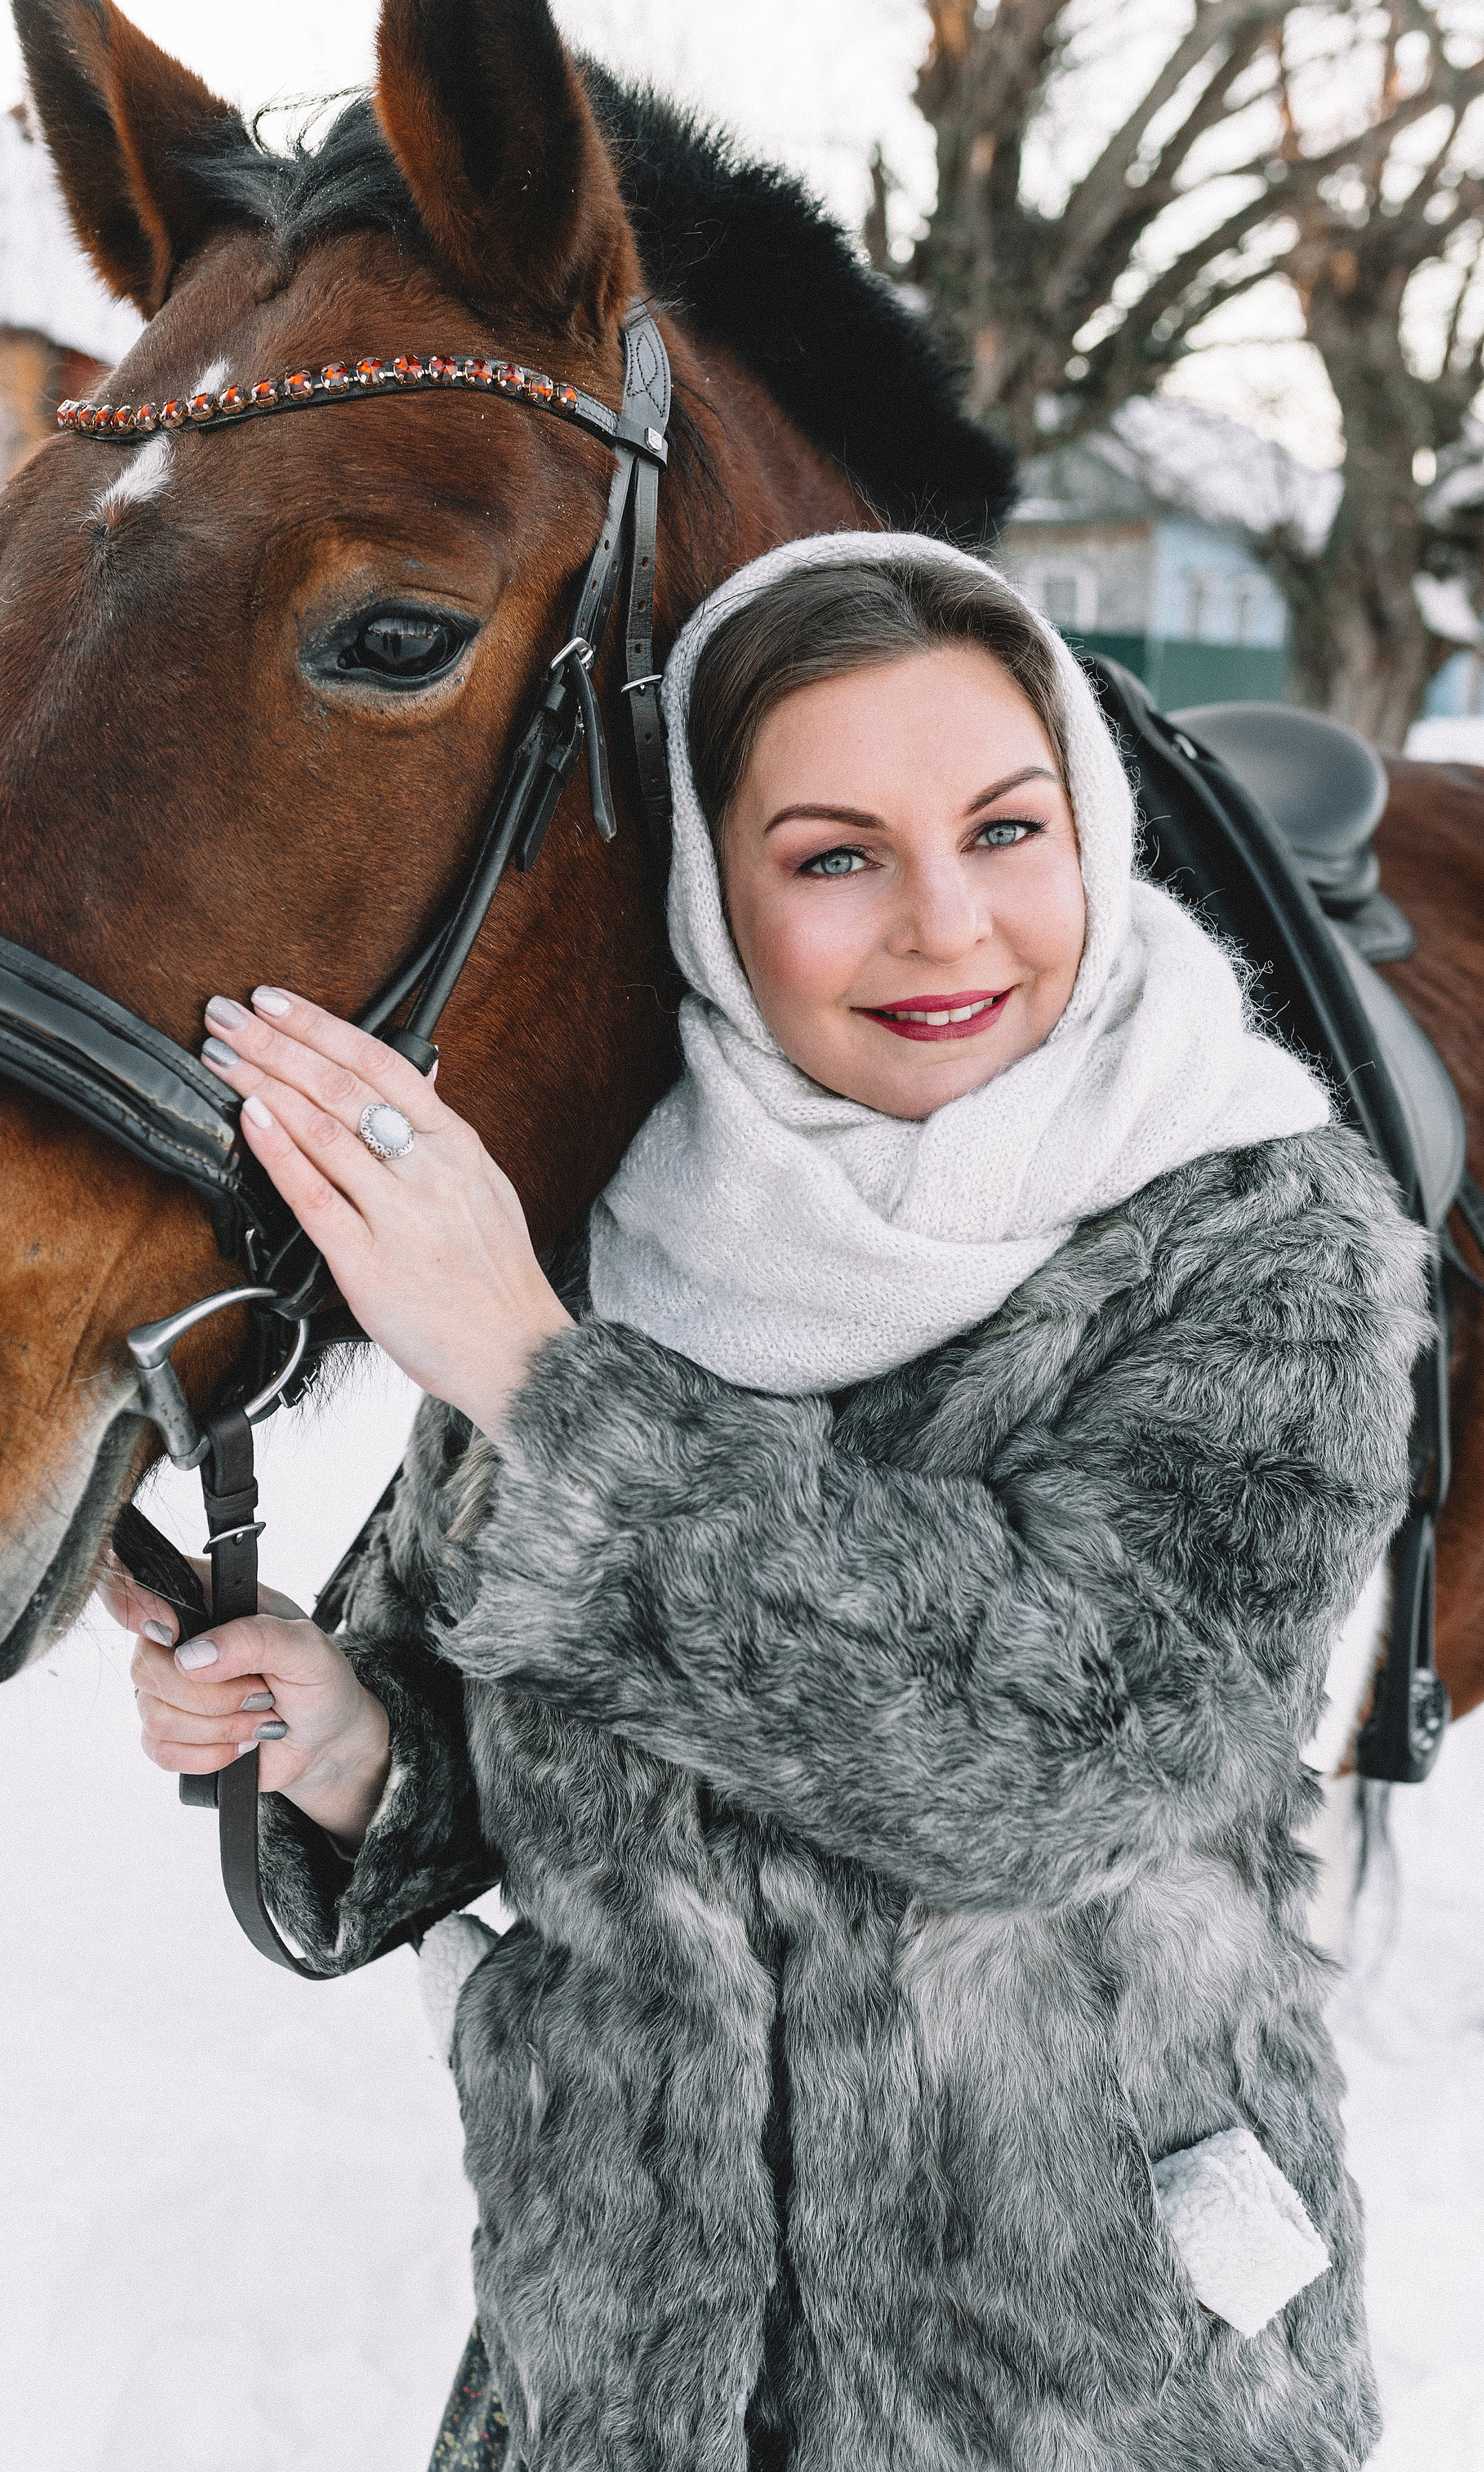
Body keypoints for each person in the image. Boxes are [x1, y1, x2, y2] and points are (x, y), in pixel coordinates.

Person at [107, 534, 1427, 2472]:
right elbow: (509, 1785)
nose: (949, 927)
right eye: (833, 857)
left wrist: (545, 1390)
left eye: (1007, 829)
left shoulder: (1253, 1235)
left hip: (1091, 2378)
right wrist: (349, 1750)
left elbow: (1067, 1749)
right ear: (710, 897)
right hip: (624, 2363)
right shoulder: (611, 1239)